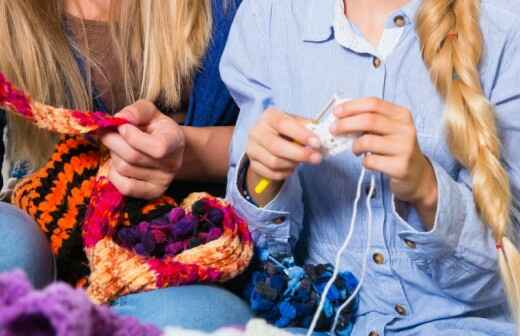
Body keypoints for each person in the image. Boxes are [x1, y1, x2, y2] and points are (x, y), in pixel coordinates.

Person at [221, 0, 520, 334]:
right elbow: (252, 259)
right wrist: (262, 178)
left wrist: (428, 191)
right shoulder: (268, 15)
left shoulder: (505, 24)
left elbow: (510, 268)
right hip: (318, 321)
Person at [0, 0, 251, 330]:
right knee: (12, 243)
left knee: (207, 318)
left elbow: (290, 137)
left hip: (177, 243)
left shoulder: (235, 10)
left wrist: (188, 153)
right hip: (48, 220)